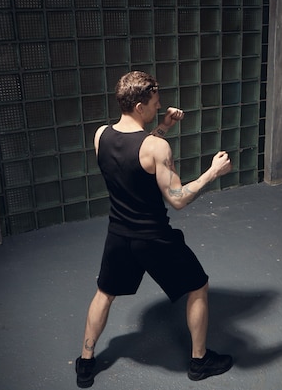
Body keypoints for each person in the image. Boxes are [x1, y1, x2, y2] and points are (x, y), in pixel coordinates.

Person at [75, 71, 233, 388]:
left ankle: (85, 362)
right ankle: (200, 361)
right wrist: (212, 173)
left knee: (104, 294)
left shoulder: (100, 135)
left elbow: (132, 158)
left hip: (119, 234)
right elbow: (177, 199)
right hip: (153, 238)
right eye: (155, 105)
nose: (159, 108)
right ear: (139, 106)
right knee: (199, 286)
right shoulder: (156, 149)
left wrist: (165, 127)